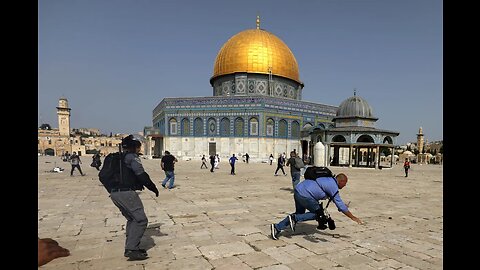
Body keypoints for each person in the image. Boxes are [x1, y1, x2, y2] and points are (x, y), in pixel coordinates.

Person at [107, 135, 159, 261]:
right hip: (126, 193)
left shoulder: (117, 158)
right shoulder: (132, 157)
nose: (139, 150)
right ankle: (131, 249)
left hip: (115, 193)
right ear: (135, 147)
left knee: (132, 219)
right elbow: (141, 174)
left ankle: (131, 246)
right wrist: (152, 187)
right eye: (138, 147)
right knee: (141, 220)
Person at [270, 173, 363, 240]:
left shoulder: (328, 179)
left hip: (298, 191)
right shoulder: (333, 185)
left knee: (299, 214)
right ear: (341, 181)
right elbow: (341, 206)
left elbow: (336, 200)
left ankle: (277, 227)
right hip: (305, 195)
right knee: (319, 214)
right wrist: (353, 217)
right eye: (345, 183)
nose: (345, 185)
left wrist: (341, 205)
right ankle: (294, 218)